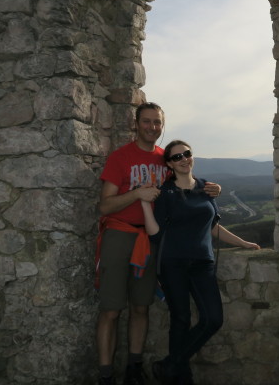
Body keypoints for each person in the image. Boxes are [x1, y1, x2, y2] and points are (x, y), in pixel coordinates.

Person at [95, 103, 221, 385]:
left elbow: (186, 188)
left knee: (141, 307)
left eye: (157, 123)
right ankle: (105, 375)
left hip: (154, 242)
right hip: (120, 233)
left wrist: (213, 189)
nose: (152, 127)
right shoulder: (120, 157)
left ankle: (134, 368)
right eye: (147, 122)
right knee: (112, 309)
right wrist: (136, 193)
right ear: (136, 124)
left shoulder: (166, 159)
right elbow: (105, 205)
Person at [141, 139, 261, 385]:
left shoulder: (206, 187)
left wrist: (243, 244)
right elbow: (156, 232)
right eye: (177, 157)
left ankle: (168, 366)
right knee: (181, 319)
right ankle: (180, 379)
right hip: (172, 263)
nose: (184, 159)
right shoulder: (165, 193)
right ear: (169, 165)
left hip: (202, 263)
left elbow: (213, 227)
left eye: (187, 154)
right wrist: (144, 204)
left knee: (213, 319)